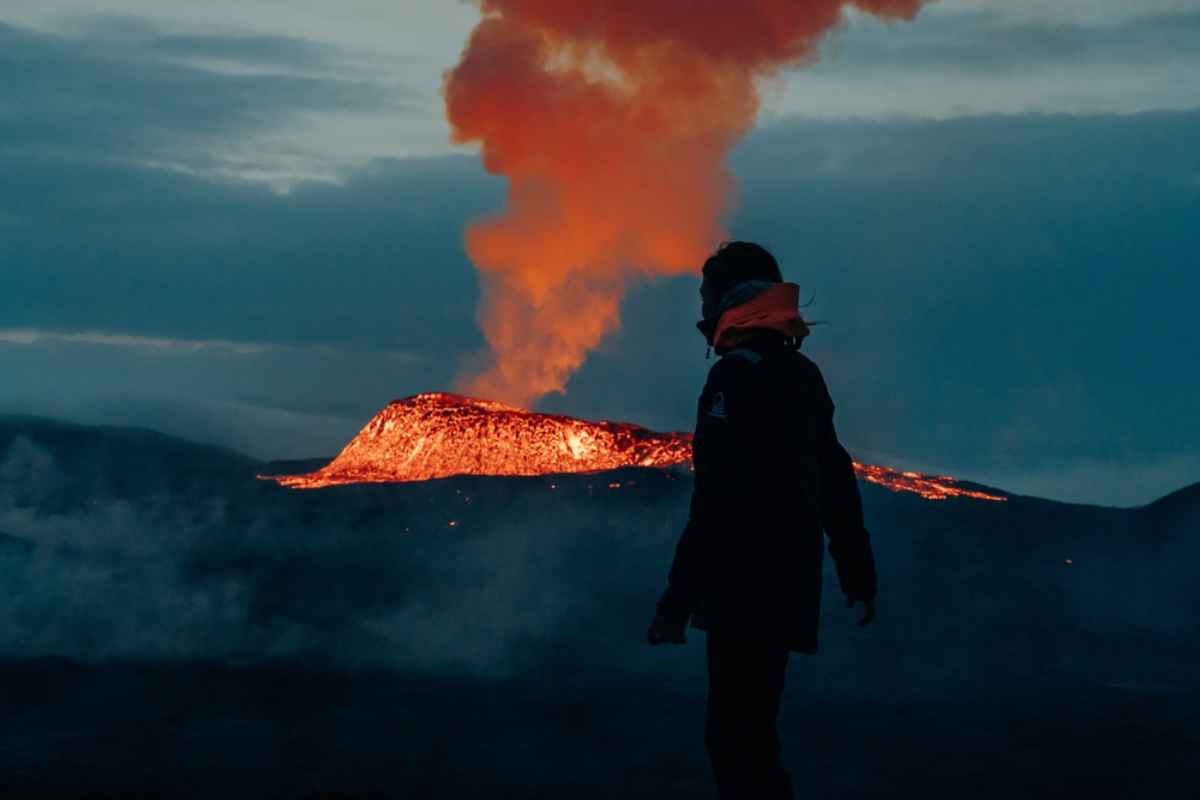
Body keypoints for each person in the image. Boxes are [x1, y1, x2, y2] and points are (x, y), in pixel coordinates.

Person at [647, 241, 877, 800]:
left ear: (729, 300)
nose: (700, 309)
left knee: (734, 739)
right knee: (754, 732)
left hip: (741, 587)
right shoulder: (801, 375)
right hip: (789, 583)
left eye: (706, 295)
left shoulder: (734, 379)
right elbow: (833, 475)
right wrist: (855, 565)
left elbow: (718, 500)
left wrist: (677, 603)